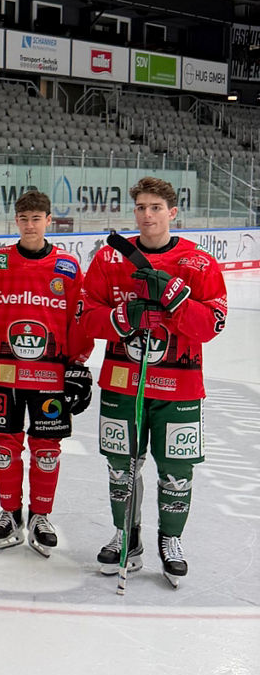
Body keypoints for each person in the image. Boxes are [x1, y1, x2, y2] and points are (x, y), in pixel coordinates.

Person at [78, 177, 227, 587]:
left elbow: (213, 324)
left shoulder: (198, 262)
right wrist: (123, 319)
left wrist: (177, 301)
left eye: (156, 208)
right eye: (141, 207)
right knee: (120, 467)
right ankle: (127, 535)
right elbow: (86, 314)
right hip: (124, 383)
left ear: (173, 212)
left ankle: (171, 539)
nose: (147, 215)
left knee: (177, 469)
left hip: (179, 386)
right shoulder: (110, 259)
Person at [0, 191, 93, 557]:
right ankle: (10, 513)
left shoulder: (68, 267)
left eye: (36, 218)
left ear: (49, 220)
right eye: (24, 219)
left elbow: (79, 319)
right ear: (17, 221)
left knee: (47, 449)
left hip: (50, 374)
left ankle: (40, 516)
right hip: (3, 371)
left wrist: (78, 364)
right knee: (3, 447)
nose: (30, 225)